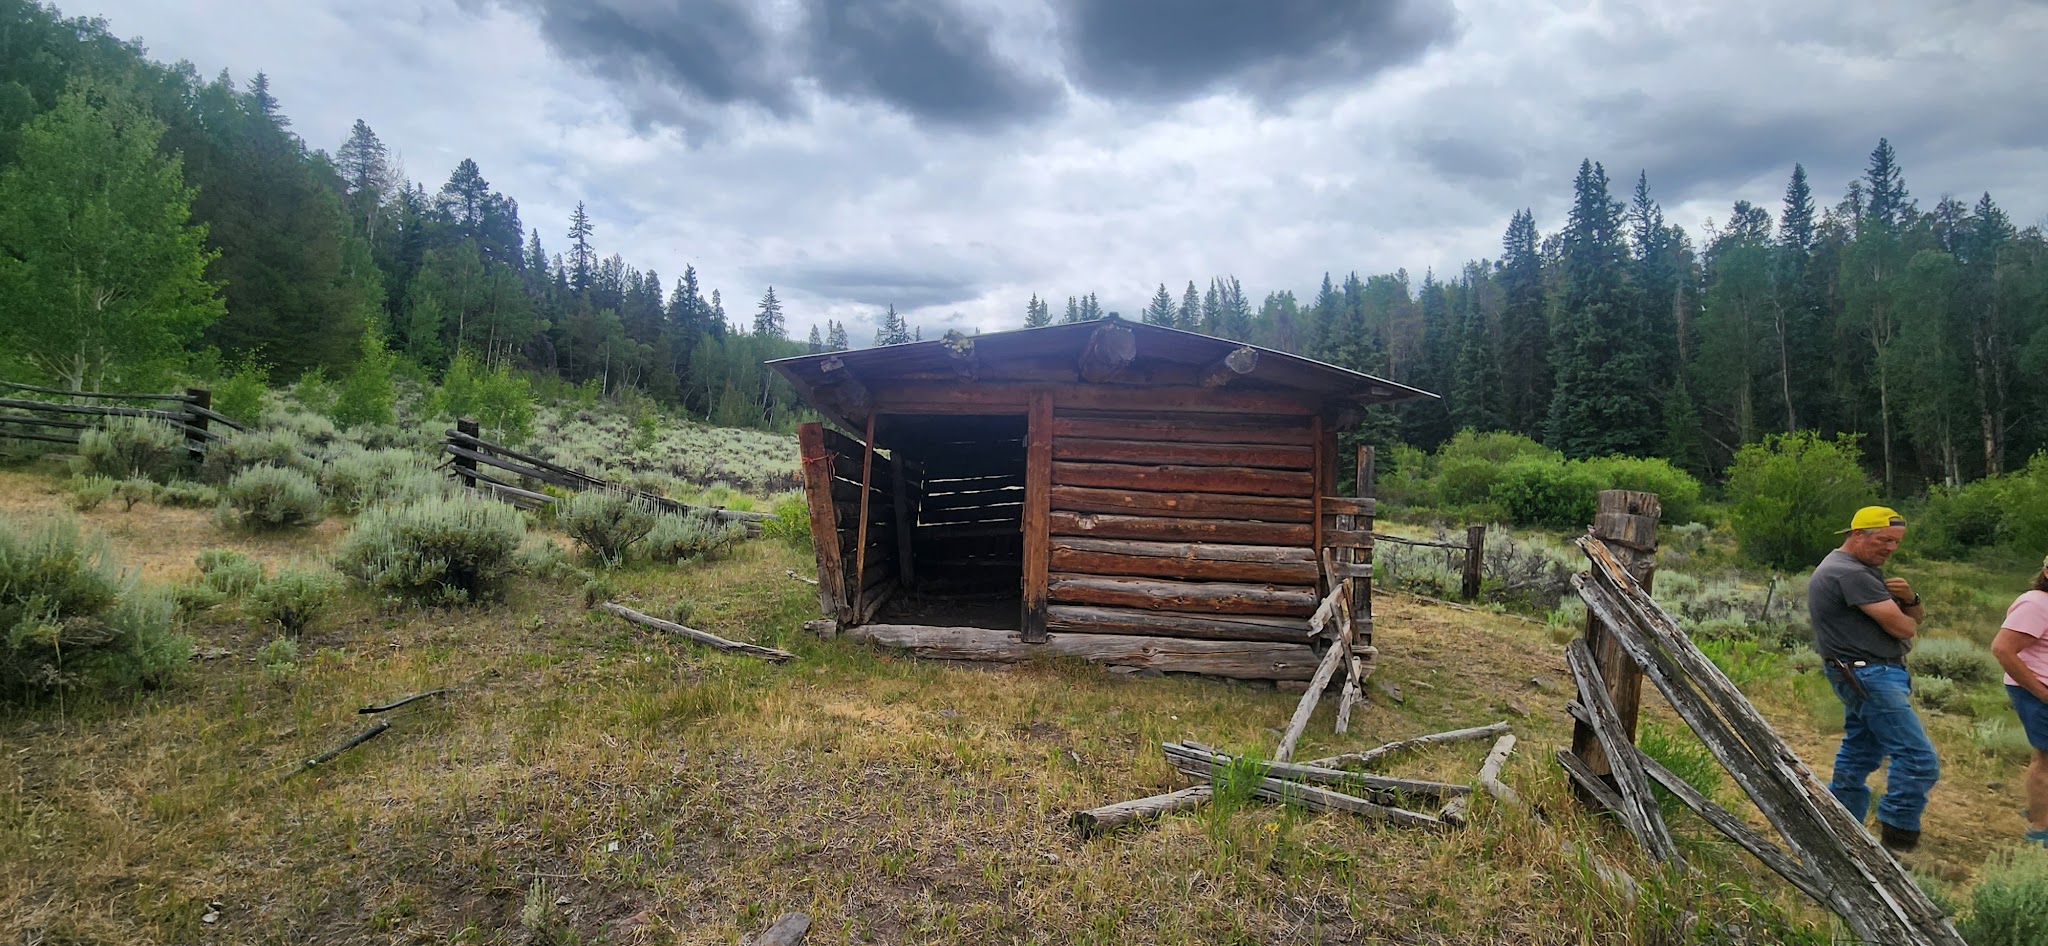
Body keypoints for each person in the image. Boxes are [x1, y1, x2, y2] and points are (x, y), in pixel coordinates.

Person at [1808, 505, 1937, 853]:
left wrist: (1911, 598)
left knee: (1860, 751)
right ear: (1857, 535)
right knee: (1918, 760)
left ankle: (1839, 834)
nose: (1890, 548)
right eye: (1884, 540)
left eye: (1895, 542)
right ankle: (1897, 843)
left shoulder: (1853, 568)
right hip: (1869, 673)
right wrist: (1906, 609)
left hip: (1859, 671)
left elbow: (1914, 616)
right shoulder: (1852, 574)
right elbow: (1906, 626)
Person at [1990, 555, 2048, 847]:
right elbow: (2002, 649)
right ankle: (2040, 828)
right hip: (2038, 690)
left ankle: (2040, 808)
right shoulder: (2036, 604)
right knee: (2046, 759)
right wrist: (2041, 692)